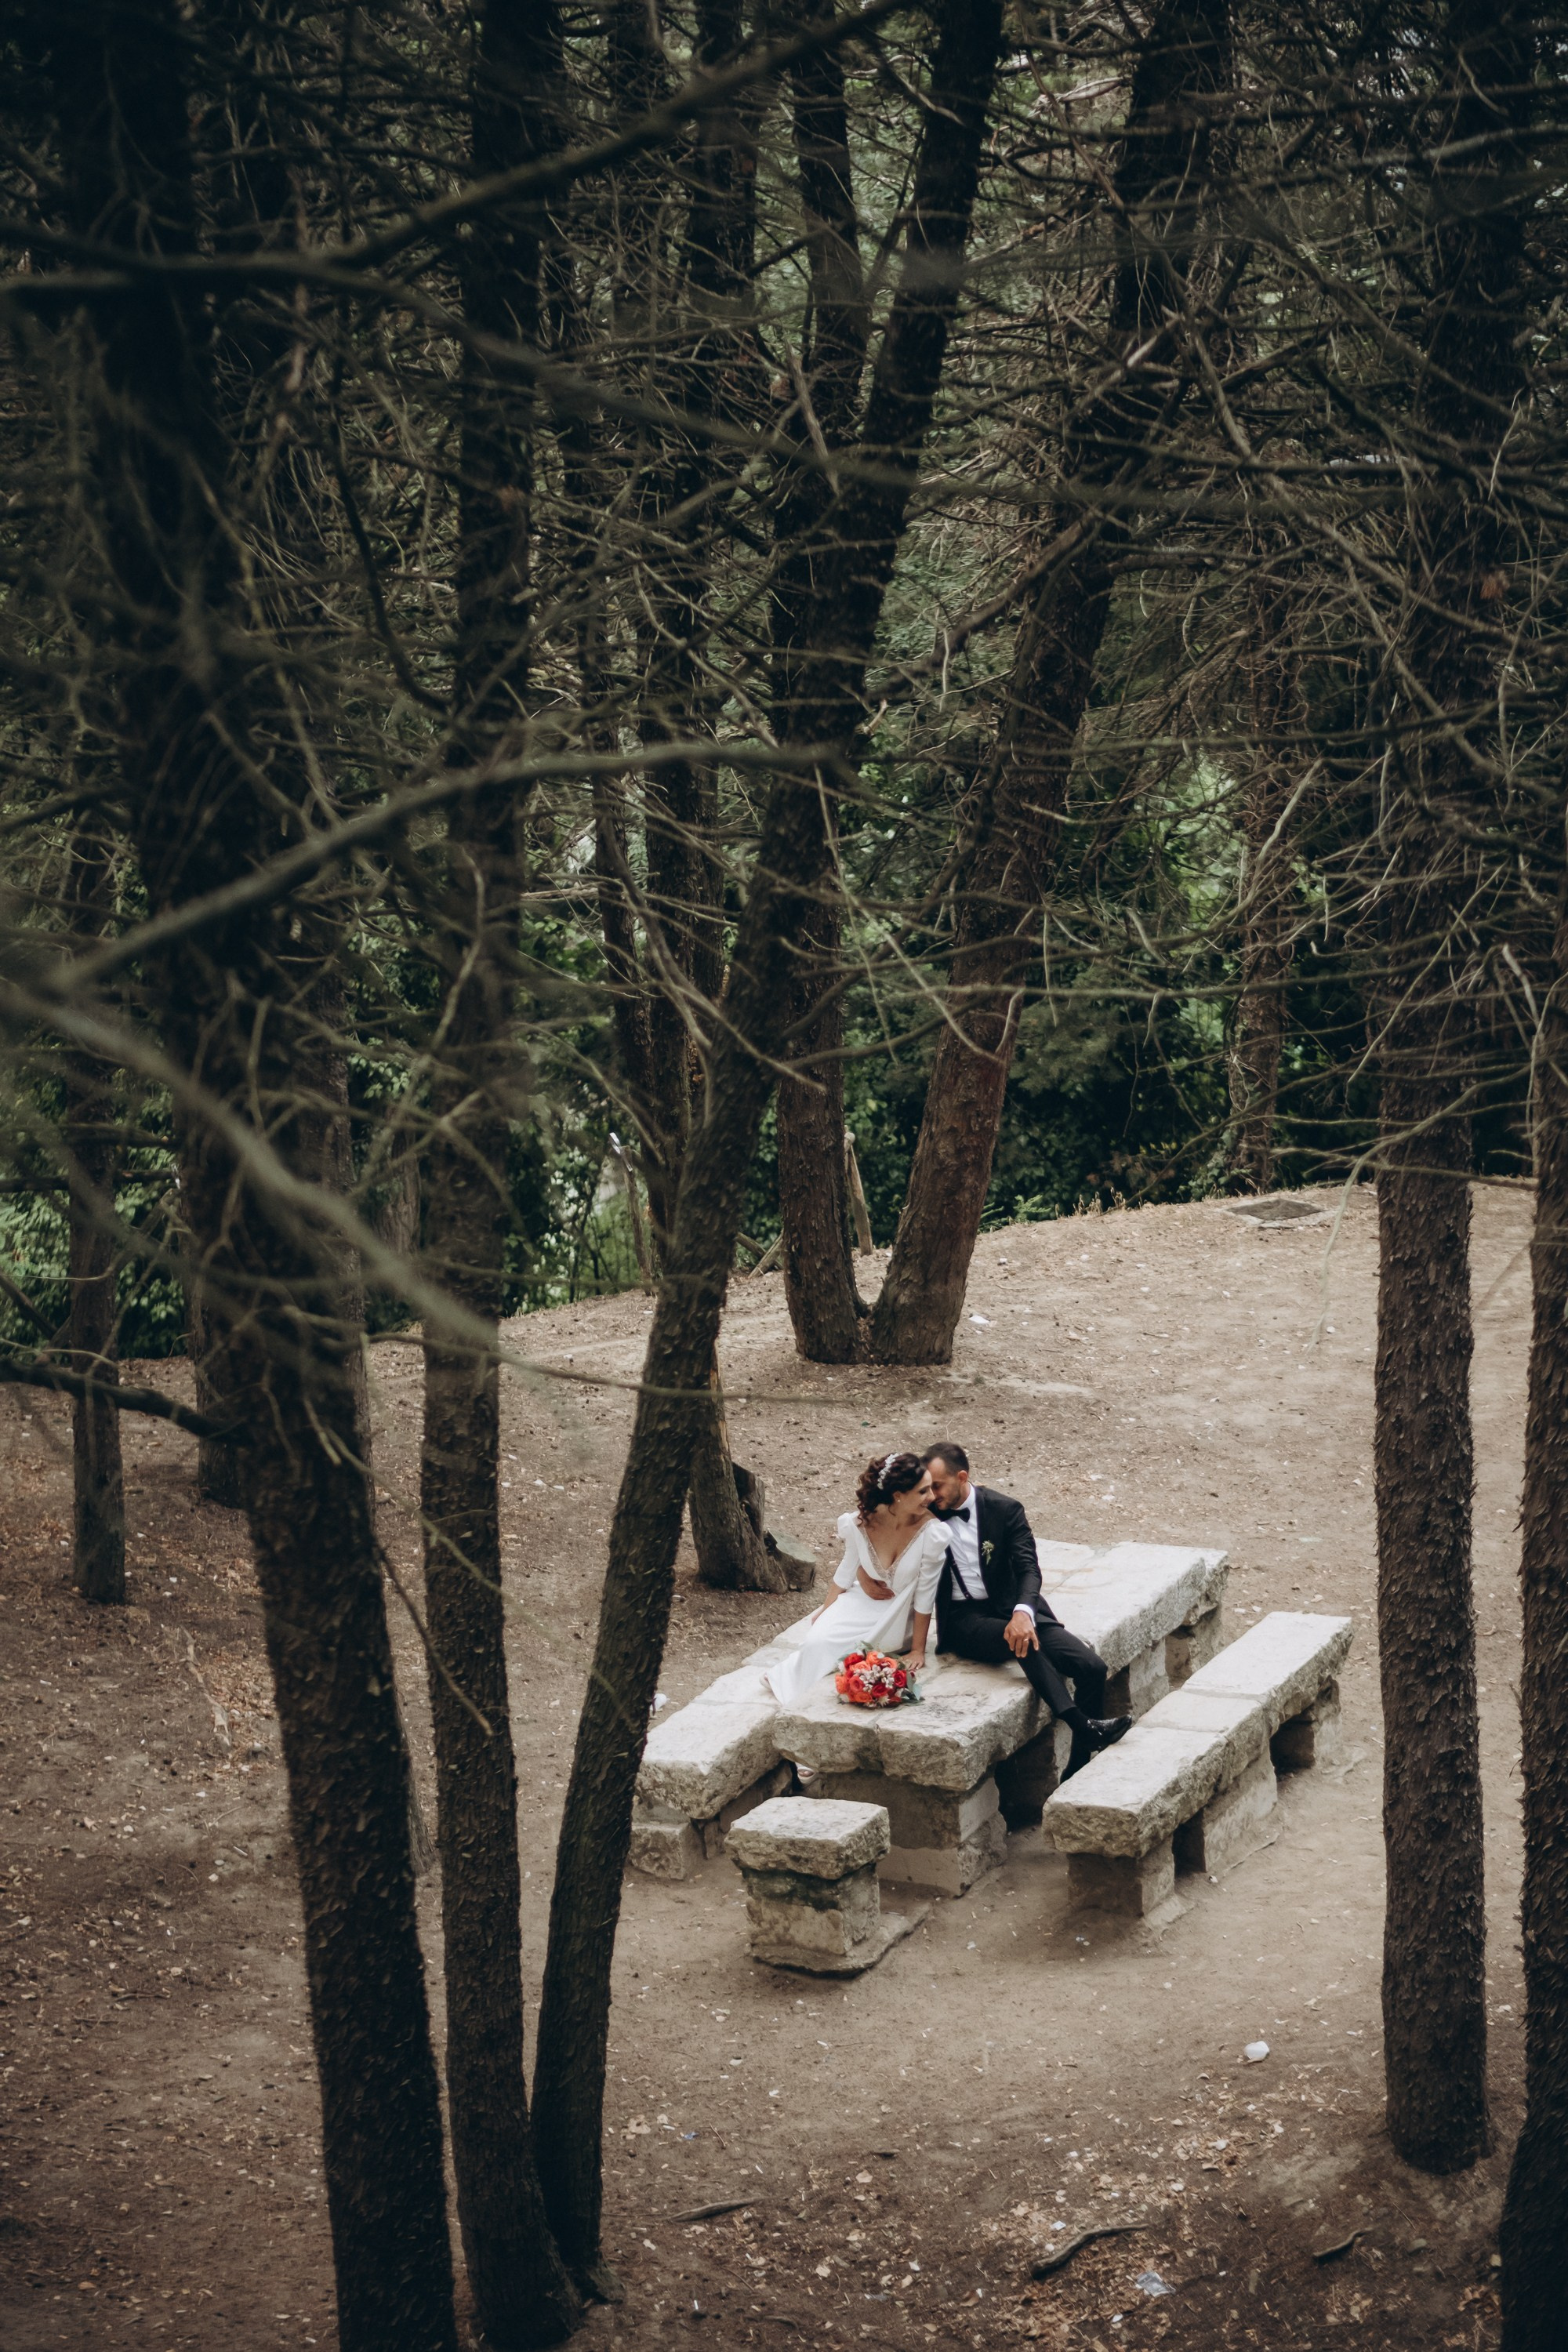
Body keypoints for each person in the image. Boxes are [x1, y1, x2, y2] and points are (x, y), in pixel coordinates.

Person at [918, 1441, 1131, 1780]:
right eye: (926, 1487)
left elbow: (1029, 1569)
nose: (931, 1495)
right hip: (963, 1620)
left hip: (1010, 1607)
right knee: (1022, 1642)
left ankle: (1078, 1765)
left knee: (1092, 1666)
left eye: (938, 1486)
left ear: (962, 1477)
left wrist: (1022, 1612)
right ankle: (1083, 1724)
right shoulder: (925, 1513)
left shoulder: (1005, 1509)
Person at [764, 1451, 949, 1709]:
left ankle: (794, 1681)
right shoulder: (861, 1521)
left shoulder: (934, 1533)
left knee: (847, 1652)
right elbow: (847, 1568)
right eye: (923, 1491)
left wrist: (918, 1649)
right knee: (818, 1640)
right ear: (898, 1495)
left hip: (897, 1616)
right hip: (862, 1600)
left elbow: (926, 1593)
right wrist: (826, 1611)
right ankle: (785, 1681)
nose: (932, 1497)